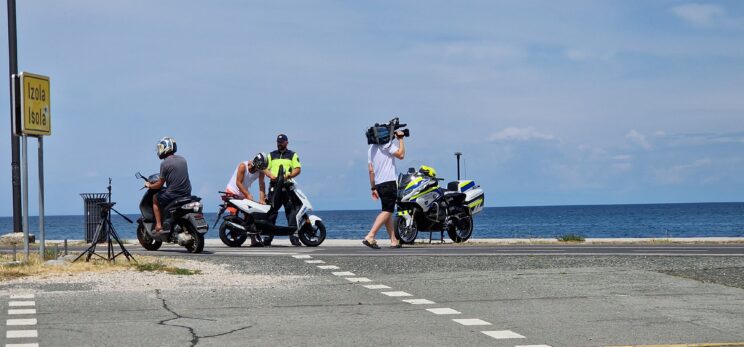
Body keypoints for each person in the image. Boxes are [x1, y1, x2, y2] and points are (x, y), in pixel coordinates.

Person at [363, 130, 406, 249]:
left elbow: (371, 171)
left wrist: (373, 187)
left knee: (387, 210)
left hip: (379, 184)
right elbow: (401, 155)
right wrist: (401, 139)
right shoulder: (387, 145)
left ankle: (393, 240)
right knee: (387, 211)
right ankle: (370, 236)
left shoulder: (371, 149)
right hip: (389, 182)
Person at [145, 136, 192, 233]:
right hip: (187, 192)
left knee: (155, 198)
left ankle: (158, 225)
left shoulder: (164, 164)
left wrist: (149, 185)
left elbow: (160, 184)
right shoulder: (183, 159)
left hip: (173, 194)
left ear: (164, 148)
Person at [263, 133, 303, 246]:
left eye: (281, 142)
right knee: (271, 211)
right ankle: (268, 237)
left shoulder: (292, 155)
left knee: (291, 211)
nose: (279, 144)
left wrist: (288, 175)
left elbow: (298, 169)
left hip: (286, 186)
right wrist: (270, 175)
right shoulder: (271, 155)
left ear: (286, 142)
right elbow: (264, 168)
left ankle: (293, 237)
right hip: (274, 186)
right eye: (278, 142)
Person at [224, 153, 268, 246]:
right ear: (255, 162)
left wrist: (262, 199)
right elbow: (238, 183)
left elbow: (261, 185)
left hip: (243, 192)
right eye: (259, 167)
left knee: (251, 213)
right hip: (233, 191)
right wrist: (248, 194)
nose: (259, 169)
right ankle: (234, 237)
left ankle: (253, 240)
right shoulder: (243, 166)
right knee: (234, 213)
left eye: (261, 168)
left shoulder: (261, 171)